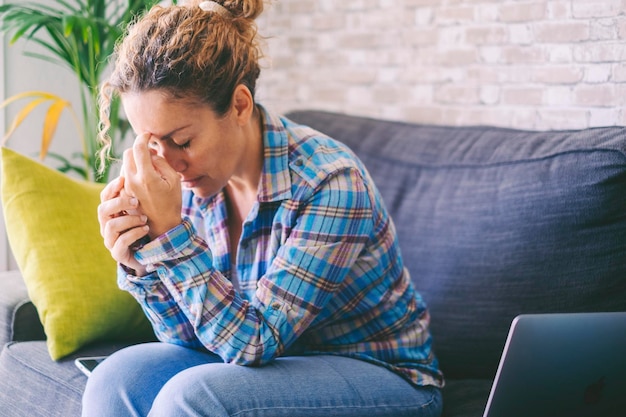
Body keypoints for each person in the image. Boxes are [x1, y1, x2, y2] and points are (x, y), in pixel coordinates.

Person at [86, 0, 444, 416]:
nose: (171, 163)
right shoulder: (198, 181)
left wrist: (172, 241)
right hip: (277, 365)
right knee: (116, 379)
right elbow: (195, 338)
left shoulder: (330, 182)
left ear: (239, 105)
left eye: (181, 141)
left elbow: (253, 342)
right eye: (152, 144)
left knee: (193, 398)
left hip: (384, 378)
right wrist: (145, 264)